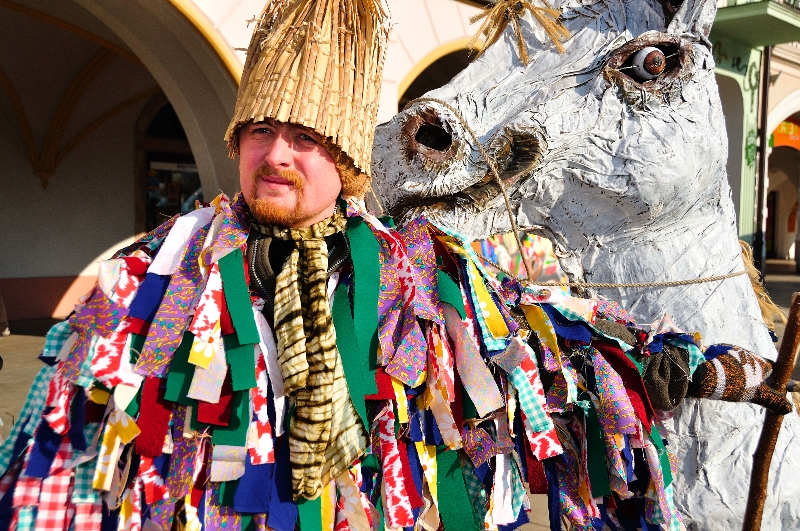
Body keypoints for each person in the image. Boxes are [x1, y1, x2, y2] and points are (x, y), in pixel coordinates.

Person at [0, 1, 792, 530]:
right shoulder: (155, 280)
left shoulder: (424, 279)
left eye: (306, 138)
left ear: (345, 159)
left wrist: (709, 373)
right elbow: (59, 462)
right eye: (261, 130)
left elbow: (550, 357)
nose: (277, 155)